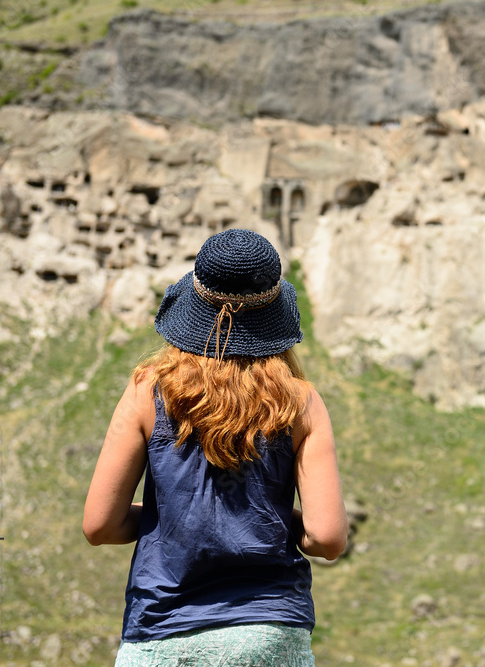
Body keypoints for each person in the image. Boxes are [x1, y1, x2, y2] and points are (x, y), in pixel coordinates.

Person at [83, 228, 348, 666]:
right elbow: (327, 538)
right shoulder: (302, 403)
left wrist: (170, 517)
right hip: (268, 630)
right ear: (273, 316)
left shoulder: (147, 392)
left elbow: (100, 526)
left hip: (163, 629)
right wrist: (267, 521)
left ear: (194, 307)